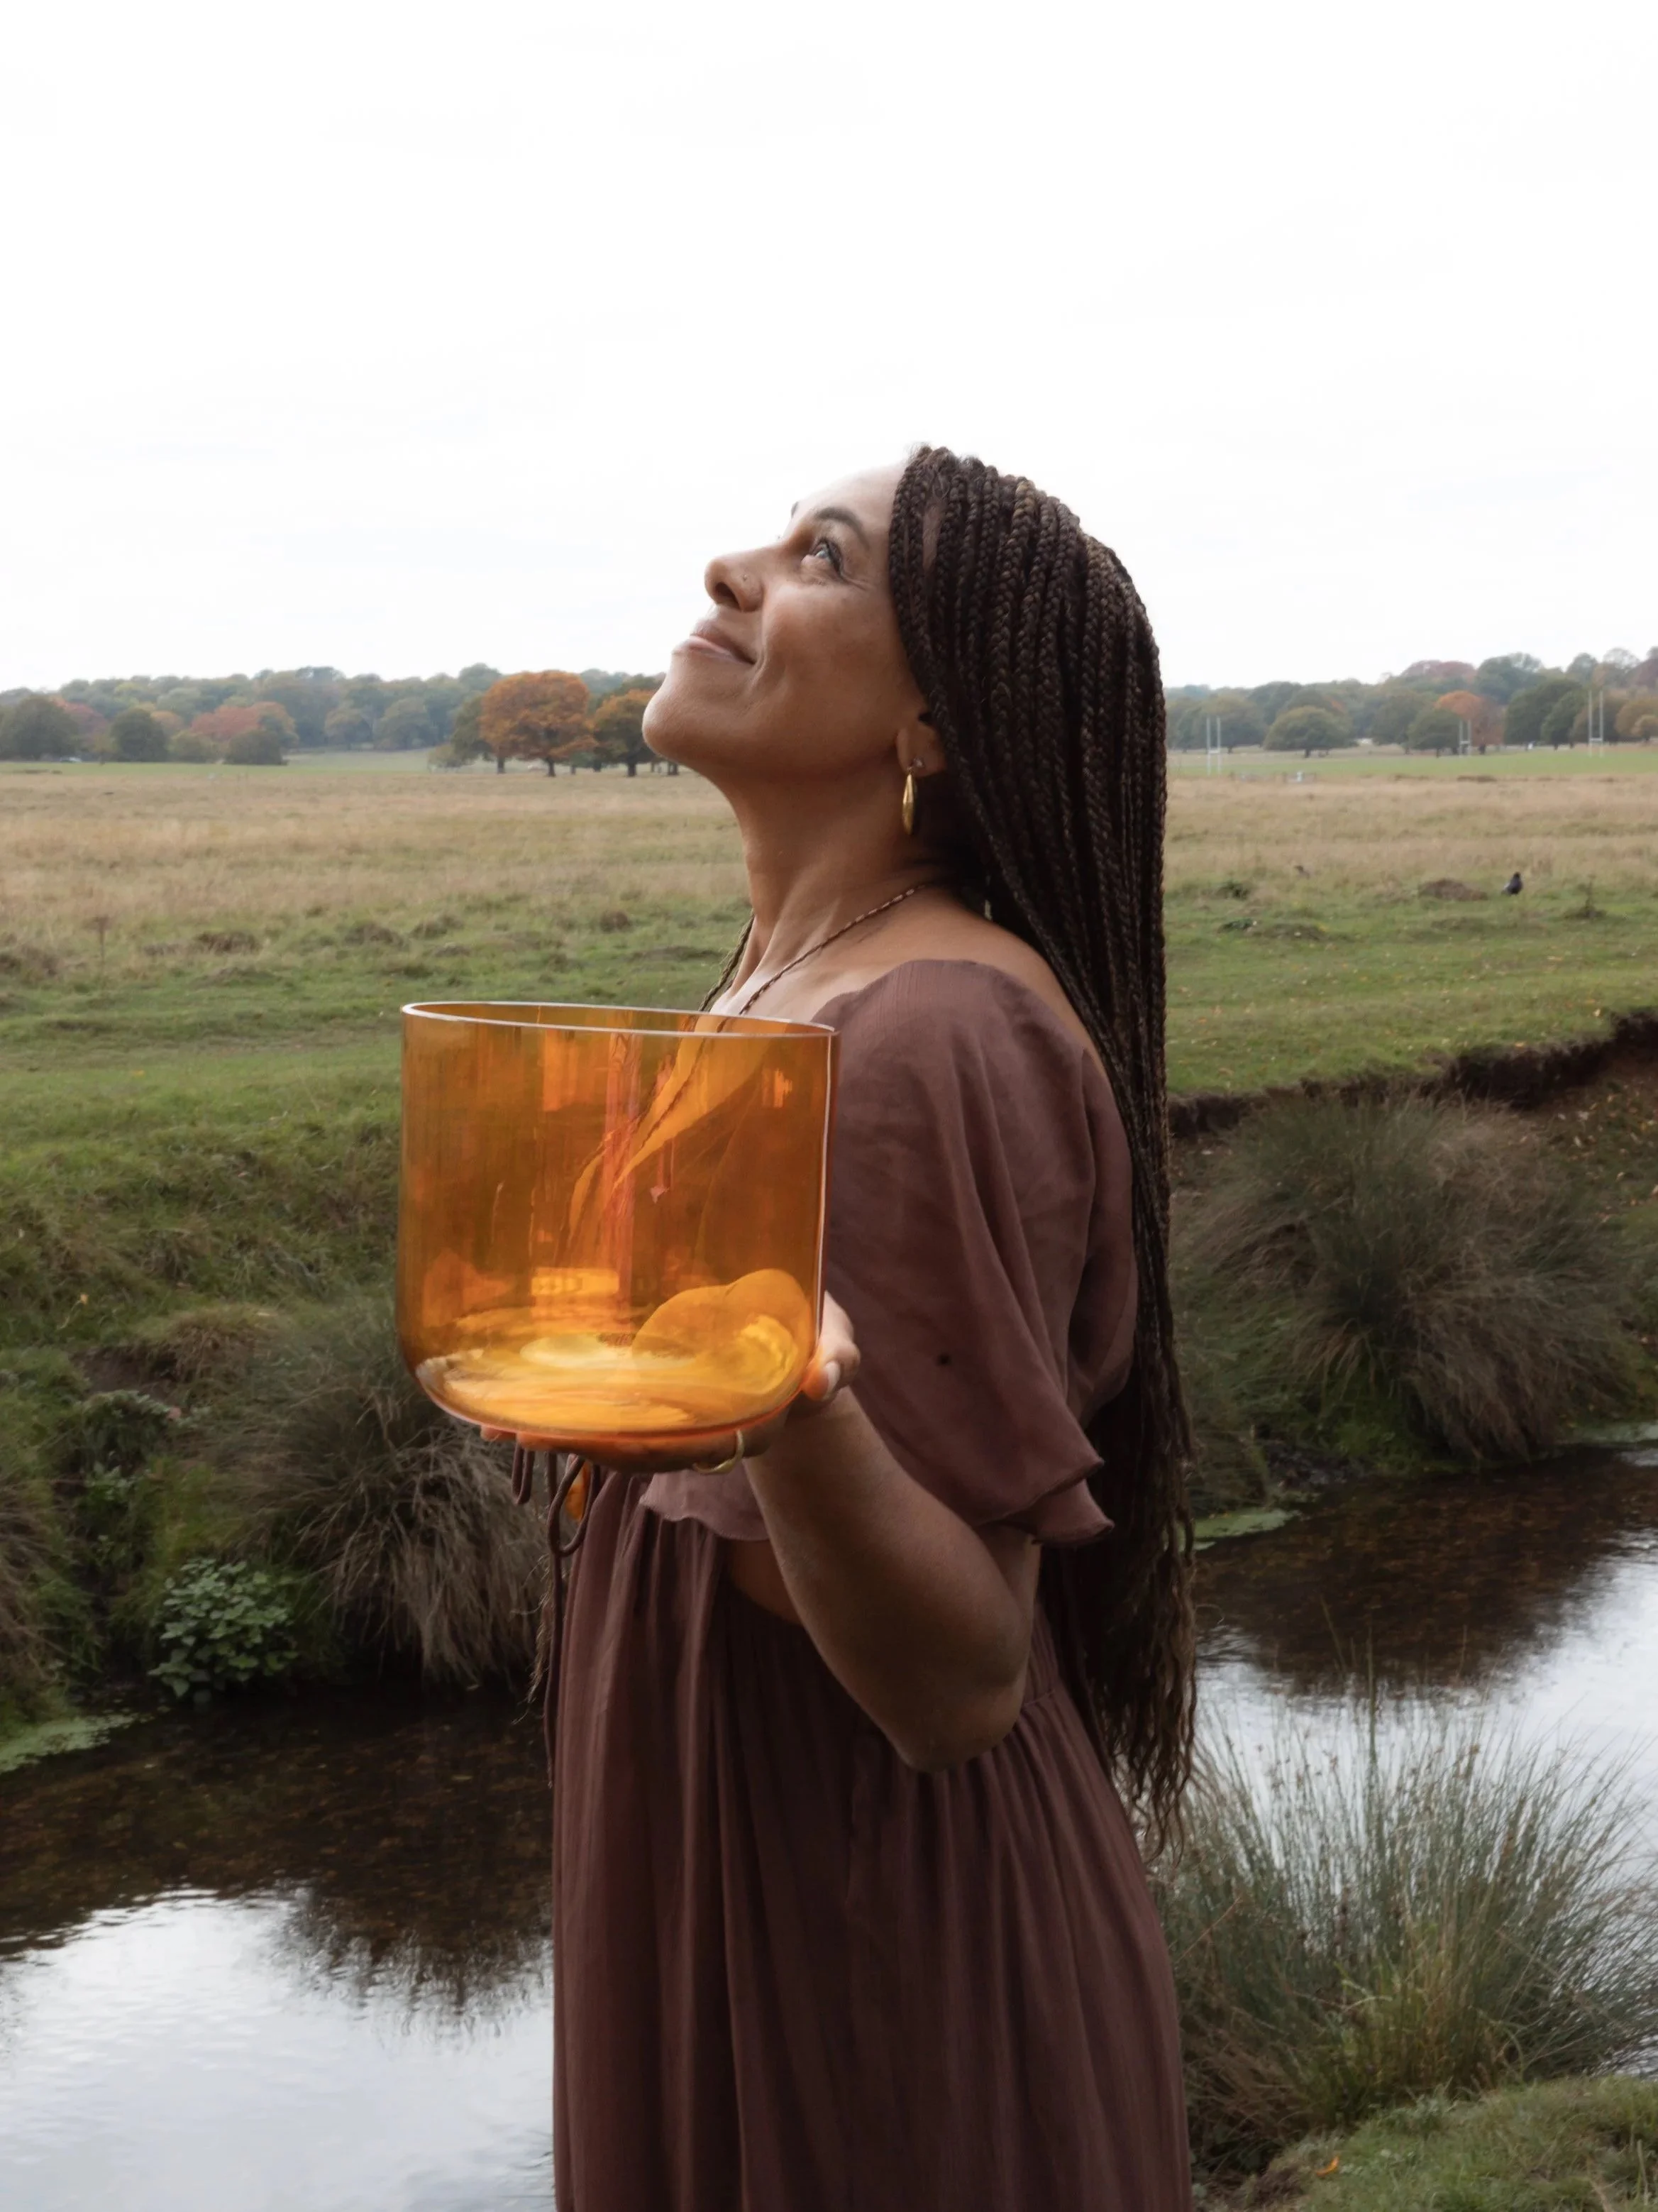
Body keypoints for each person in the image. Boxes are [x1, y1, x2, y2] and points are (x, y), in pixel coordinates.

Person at [547, 446, 1194, 2208]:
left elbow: (958, 1681)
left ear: (930, 721)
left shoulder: (919, 1039)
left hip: (857, 1945)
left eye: (821, 555)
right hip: (736, 1859)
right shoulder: (787, 983)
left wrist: (787, 1401)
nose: (733, 567)